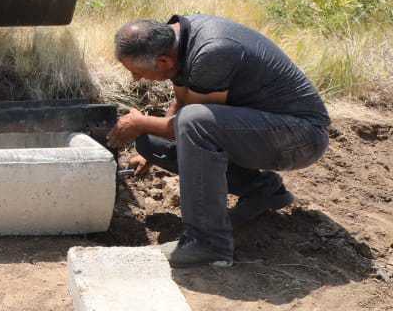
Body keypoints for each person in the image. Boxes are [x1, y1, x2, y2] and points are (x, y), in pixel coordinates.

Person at [107, 15, 330, 267]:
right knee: (152, 142)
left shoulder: (212, 52)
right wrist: (148, 143)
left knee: (193, 123)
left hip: (301, 137)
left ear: (163, 61)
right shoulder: (176, 41)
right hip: (262, 129)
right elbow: (183, 102)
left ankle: (208, 243)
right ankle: (261, 191)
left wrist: (140, 122)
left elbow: (194, 121)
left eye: (137, 72)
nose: (137, 79)